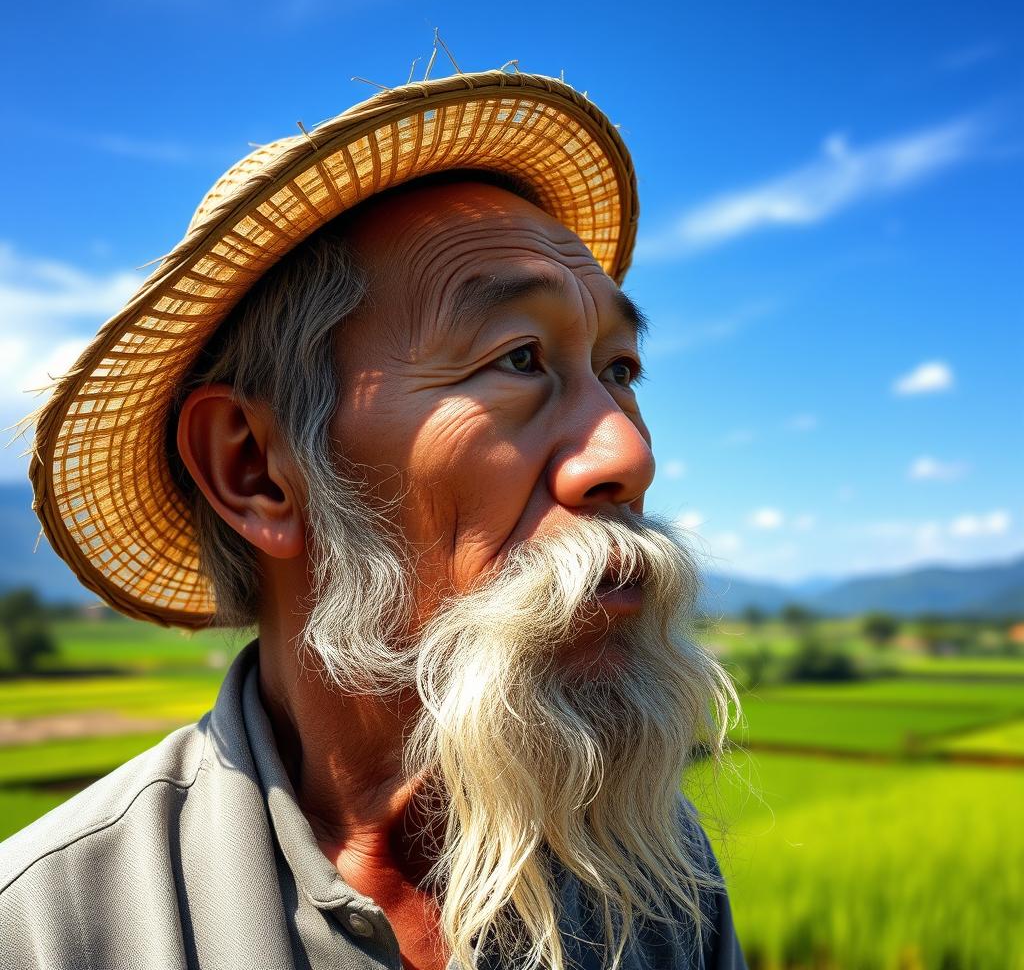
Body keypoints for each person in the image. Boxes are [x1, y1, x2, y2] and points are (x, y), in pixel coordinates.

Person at [1, 70, 746, 969]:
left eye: (620, 370)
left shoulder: (657, 874)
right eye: (518, 357)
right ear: (254, 469)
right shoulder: (49, 931)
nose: (628, 454)